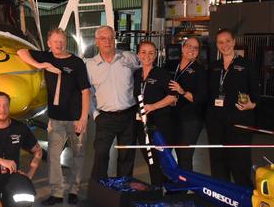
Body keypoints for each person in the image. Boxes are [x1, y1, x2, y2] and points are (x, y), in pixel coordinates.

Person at [17, 28, 90, 206]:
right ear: (49, 44)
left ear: (66, 42)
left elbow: (86, 92)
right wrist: (41, 66)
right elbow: (21, 52)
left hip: (75, 119)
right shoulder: (47, 58)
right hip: (56, 119)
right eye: (55, 41)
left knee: (78, 156)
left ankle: (74, 190)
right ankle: (56, 192)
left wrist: (83, 119)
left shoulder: (76, 62)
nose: (59, 44)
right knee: (53, 157)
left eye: (62, 41)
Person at [206, 28, 260, 187]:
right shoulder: (214, 66)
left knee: (239, 161)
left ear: (234, 42)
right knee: (217, 161)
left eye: (227, 41)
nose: (225, 45)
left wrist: (252, 104)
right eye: (221, 42)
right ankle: (221, 195)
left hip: (239, 121)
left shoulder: (246, 65)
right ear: (217, 45)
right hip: (216, 122)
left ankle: (244, 197)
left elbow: (256, 92)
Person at [86, 26, 140, 180]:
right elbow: (88, 93)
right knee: (101, 155)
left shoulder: (128, 57)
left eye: (110, 37)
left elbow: (145, 71)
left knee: (126, 156)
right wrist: (95, 115)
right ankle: (99, 189)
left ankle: (123, 189)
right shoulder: (90, 66)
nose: (107, 41)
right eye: (103, 38)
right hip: (105, 118)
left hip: (128, 116)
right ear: (97, 42)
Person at [133, 41, 177, 187]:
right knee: (149, 159)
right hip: (142, 124)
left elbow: (173, 96)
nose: (147, 56)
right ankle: (159, 187)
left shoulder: (162, 74)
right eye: (144, 52)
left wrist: (153, 106)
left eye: (151, 52)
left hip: (160, 124)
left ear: (156, 55)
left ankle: (160, 191)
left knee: (158, 160)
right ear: (138, 54)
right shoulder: (136, 74)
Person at [166, 37, 207, 171]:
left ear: (198, 52)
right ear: (182, 48)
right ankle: (172, 189)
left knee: (184, 157)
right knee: (167, 155)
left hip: (190, 120)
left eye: (195, 48)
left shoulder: (200, 70)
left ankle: (184, 189)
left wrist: (182, 92)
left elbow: (200, 98)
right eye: (189, 46)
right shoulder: (171, 65)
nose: (191, 50)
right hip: (171, 117)